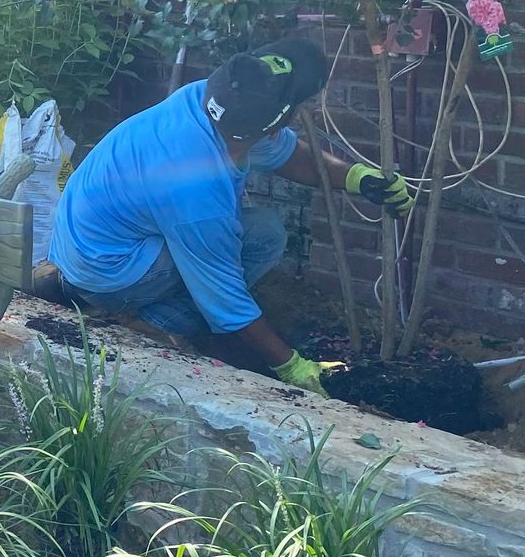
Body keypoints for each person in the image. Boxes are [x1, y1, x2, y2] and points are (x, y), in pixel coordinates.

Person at [36, 37, 414, 395]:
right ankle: (153, 325)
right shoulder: (196, 190)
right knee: (253, 246)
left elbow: (290, 155)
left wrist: (356, 177)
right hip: (108, 271)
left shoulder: (210, 103)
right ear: (275, 125)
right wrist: (291, 366)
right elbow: (225, 300)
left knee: (259, 230)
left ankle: (93, 296)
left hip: (92, 243)